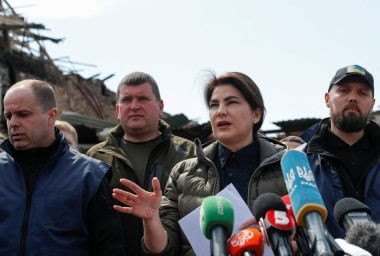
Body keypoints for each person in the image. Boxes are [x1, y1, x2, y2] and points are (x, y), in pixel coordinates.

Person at [112, 71, 288, 255]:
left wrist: (283, 242)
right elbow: (164, 249)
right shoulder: (183, 173)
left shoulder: (289, 166)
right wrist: (151, 219)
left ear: (256, 114)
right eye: (214, 105)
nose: (220, 111)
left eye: (232, 102)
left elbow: (309, 235)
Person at [0, 79, 125, 255]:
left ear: (51, 116)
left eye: (23, 114)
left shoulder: (90, 176)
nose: (13, 123)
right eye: (8, 116)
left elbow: (109, 248)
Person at [87, 72, 196, 255]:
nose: (134, 106)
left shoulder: (187, 153)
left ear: (160, 106)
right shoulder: (96, 156)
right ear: (117, 109)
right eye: (127, 100)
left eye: (143, 99)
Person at [303, 65, 379, 238]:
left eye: (362, 93)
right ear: (327, 99)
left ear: (372, 104)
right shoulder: (300, 162)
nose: (353, 98)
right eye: (344, 91)